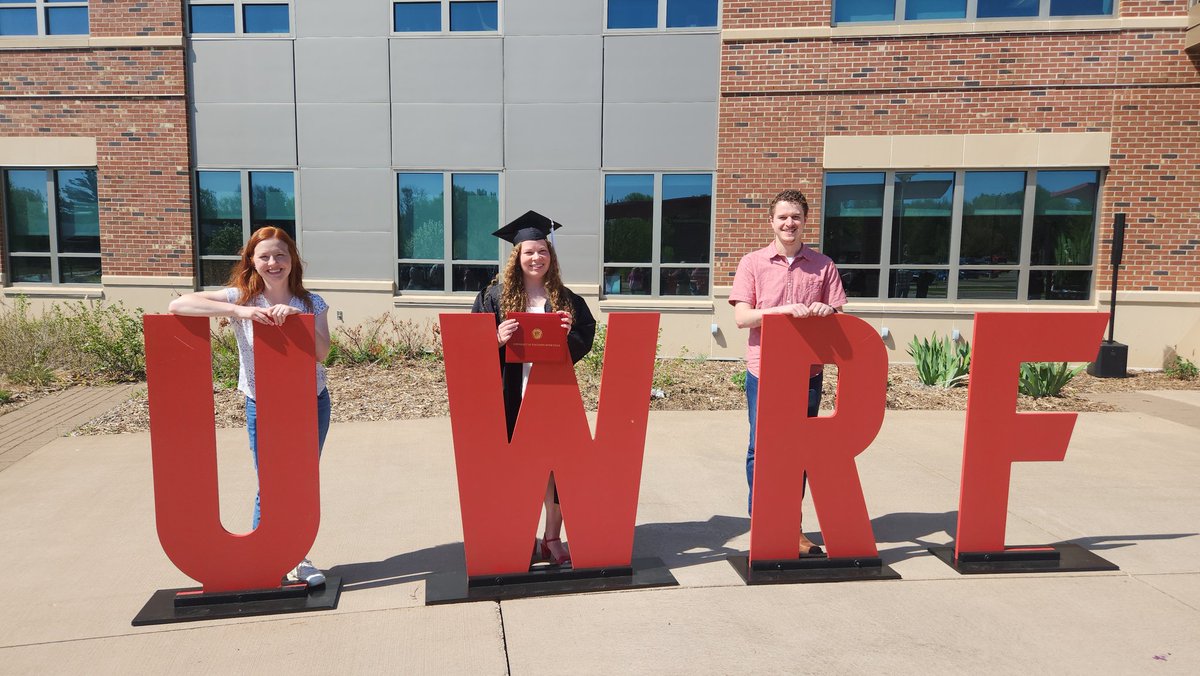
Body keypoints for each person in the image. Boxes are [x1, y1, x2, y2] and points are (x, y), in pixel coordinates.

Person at [168, 226, 332, 586]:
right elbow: (178, 304)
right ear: (253, 262)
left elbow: (322, 353)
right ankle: (273, 556)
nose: (274, 262)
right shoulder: (241, 297)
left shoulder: (311, 302)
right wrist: (237, 312)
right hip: (264, 404)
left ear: (293, 261)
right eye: (265, 257)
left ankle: (295, 555)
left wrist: (296, 319)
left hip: (310, 404)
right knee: (270, 482)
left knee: (300, 481)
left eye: (281, 255)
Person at [471, 210, 597, 567]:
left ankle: (552, 538)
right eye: (529, 251)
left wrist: (567, 333)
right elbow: (470, 343)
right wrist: (495, 339)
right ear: (517, 256)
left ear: (550, 256)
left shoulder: (565, 299)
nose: (536, 257)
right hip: (510, 394)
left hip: (552, 394)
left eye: (542, 251)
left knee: (556, 471)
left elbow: (584, 337)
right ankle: (518, 535)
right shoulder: (493, 298)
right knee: (515, 470)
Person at [728, 189, 848, 556]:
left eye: (795, 216)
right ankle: (762, 521)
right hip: (764, 371)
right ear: (771, 221)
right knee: (760, 448)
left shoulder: (823, 265)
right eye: (782, 217)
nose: (789, 223)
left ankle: (791, 526)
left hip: (807, 373)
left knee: (799, 451)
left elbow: (839, 316)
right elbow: (741, 318)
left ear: (805, 221)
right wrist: (781, 312)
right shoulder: (753, 263)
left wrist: (829, 314)